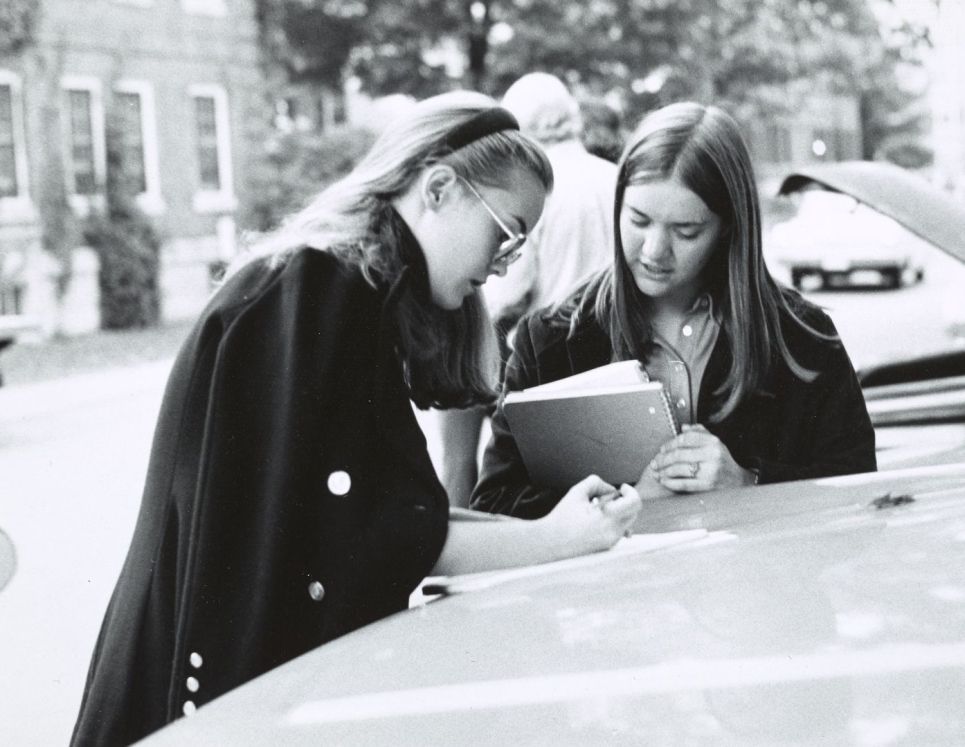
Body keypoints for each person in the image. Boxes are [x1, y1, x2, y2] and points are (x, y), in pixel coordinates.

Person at [70, 92, 640, 747]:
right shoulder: (321, 291)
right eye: (506, 231)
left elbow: (388, 512)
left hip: (194, 672)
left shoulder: (331, 285)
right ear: (439, 187)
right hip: (208, 695)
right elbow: (377, 530)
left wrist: (549, 527)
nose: (507, 261)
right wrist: (555, 539)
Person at [470, 102, 876, 519]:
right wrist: (623, 501)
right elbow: (494, 506)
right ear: (618, 206)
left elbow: (861, 489)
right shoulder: (552, 337)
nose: (654, 252)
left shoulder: (801, 335)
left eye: (686, 231)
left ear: (729, 228)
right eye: (639, 221)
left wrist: (747, 482)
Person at [437, 73, 618, 507]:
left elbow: (507, 295)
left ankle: (456, 530)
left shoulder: (527, 189)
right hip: (604, 355)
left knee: (454, 404)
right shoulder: (614, 178)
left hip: (532, 361)